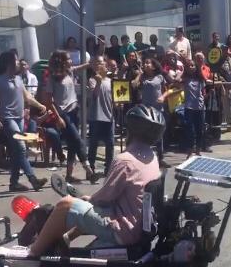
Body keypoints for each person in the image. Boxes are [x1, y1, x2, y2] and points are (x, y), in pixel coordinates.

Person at [16, 105, 164, 258]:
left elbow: (104, 199)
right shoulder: (152, 157)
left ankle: (32, 252)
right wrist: (89, 201)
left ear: (131, 130)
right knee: (84, 208)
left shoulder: (126, 161)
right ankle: (64, 239)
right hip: (138, 227)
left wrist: (89, 199)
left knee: (65, 204)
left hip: (124, 230)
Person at [0, 51, 49, 192]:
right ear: (8, 63)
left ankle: (14, 183)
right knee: (21, 147)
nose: (18, 63)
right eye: (16, 61)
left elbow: (27, 97)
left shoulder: (18, 79)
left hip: (20, 118)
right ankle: (33, 179)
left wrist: (39, 105)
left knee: (17, 151)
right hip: (8, 118)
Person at [45, 50, 95, 183]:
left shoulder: (70, 71)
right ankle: (89, 170)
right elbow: (48, 101)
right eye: (67, 59)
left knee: (73, 144)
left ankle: (69, 175)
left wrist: (92, 63)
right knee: (78, 140)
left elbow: (85, 66)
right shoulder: (52, 78)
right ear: (60, 61)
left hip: (74, 111)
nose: (70, 61)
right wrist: (58, 118)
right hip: (63, 114)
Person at [132, 58, 169, 167]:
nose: (146, 64)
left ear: (154, 66)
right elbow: (134, 85)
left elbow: (167, 89)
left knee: (159, 133)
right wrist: (139, 75)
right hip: (145, 110)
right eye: (145, 63)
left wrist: (163, 96)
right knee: (146, 133)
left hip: (158, 109)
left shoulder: (160, 77)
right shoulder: (142, 77)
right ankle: (145, 156)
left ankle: (160, 157)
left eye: (148, 63)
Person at [87, 56, 116, 178]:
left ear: (106, 65)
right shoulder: (92, 80)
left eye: (101, 62)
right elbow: (95, 95)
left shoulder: (111, 81)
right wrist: (98, 82)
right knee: (93, 144)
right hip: (96, 117)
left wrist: (118, 104)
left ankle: (108, 168)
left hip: (109, 117)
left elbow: (115, 98)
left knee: (110, 144)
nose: (99, 65)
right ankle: (91, 168)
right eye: (96, 63)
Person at [182, 59, 207, 157]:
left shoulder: (200, 79)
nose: (191, 67)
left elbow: (203, 92)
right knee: (190, 130)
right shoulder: (185, 79)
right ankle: (189, 150)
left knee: (199, 129)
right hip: (189, 107)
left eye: (193, 65)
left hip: (199, 107)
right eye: (189, 66)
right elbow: (176, 80)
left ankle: (198, 150)